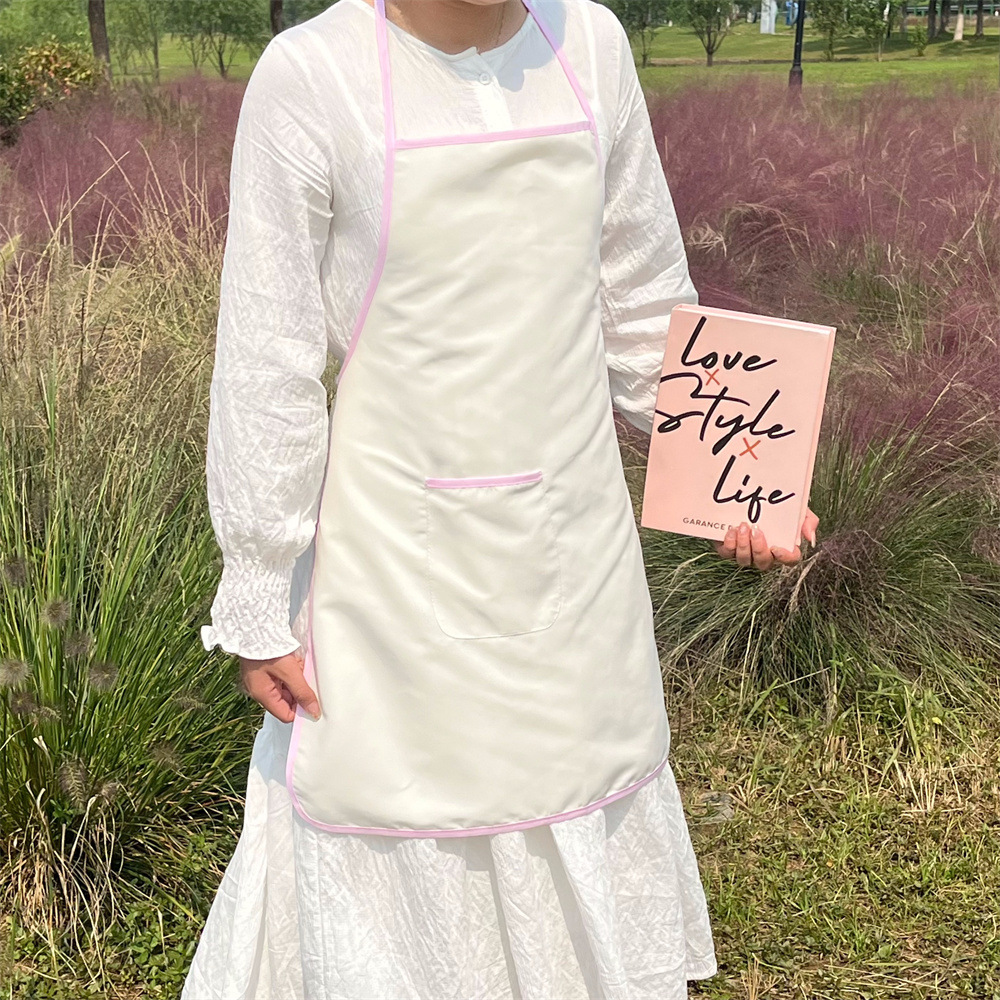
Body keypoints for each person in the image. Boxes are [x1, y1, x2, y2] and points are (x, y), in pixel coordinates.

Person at [183, 1, 818, 997]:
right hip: (392, 562)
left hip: (574, 546)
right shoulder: (312, 74)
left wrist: (741, 477)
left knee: (574, 773)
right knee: (400, 798)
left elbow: (643, 302)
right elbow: (270, 356)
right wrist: (259, 587)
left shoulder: (591, 45)